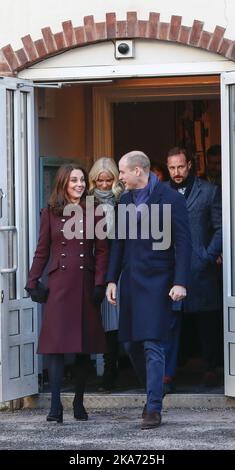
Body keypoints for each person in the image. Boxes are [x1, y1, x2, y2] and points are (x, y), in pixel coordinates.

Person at [106, 150, 191, 429]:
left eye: (122, 171)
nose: (120, 177)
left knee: (153, 343)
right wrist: (111, 280)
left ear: (138, 171)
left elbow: (183, 243)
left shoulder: (171, 199)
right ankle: (155, 390)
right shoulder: (125, 200)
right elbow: (118, 244)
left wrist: (180, 281)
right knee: (130, 344)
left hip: (158, 282)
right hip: (130, 281)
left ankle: (153, 407)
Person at [25, 164, 108, 423]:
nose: (80, 184)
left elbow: (103, 251)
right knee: (56, 346)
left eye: (82, 180)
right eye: (74, 180)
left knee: (83, 346)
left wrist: (99, 284)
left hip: (85, 284)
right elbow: (42, 249)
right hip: (58, 285)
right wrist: (32, 280)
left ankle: (79, 402)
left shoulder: (95, 211)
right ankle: (55, 405)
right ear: (63, 183)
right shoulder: (49, 212)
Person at [164, 147, 222, 391]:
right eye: (172, 168)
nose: (176, 172)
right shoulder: (161, 192)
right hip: (170, 267)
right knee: (171, 322)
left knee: (206, 321)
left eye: (180, 166)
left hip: (201, 267)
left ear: (189, 165)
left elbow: (220, 228)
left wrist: (207, 256)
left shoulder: (209, 191)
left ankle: (211, 368)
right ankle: (168, 373)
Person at [89, 157, 124, 391]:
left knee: (118, 319)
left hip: (119, 264)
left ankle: (114, 369)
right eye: (99, 180)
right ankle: (106, 371)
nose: (103, 184)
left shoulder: (123, 201)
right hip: (94, 265)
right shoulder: (86, 202)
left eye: (108, 179)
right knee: (100, 320)